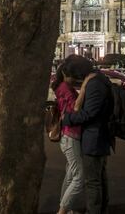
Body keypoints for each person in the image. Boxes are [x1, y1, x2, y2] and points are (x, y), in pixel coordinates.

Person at [62, 56, 114, 214]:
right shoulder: (97, 79)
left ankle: (94, 211)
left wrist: (67, 118)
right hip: (99, 135)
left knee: (92, 181)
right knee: (99, 177)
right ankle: (101, 209)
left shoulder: (95, 83)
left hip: (94, 137)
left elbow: (89, 113)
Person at [51, 56, 89, 214]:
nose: (76, 79)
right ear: (66, 74)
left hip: (69, 136)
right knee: (79, 177)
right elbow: (75, 108)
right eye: (73, 75)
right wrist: (85, 86)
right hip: (70, 136)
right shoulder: (65, 88)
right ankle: (62, 211)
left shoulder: (62, 86)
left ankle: (66, 209)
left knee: (70, 174)